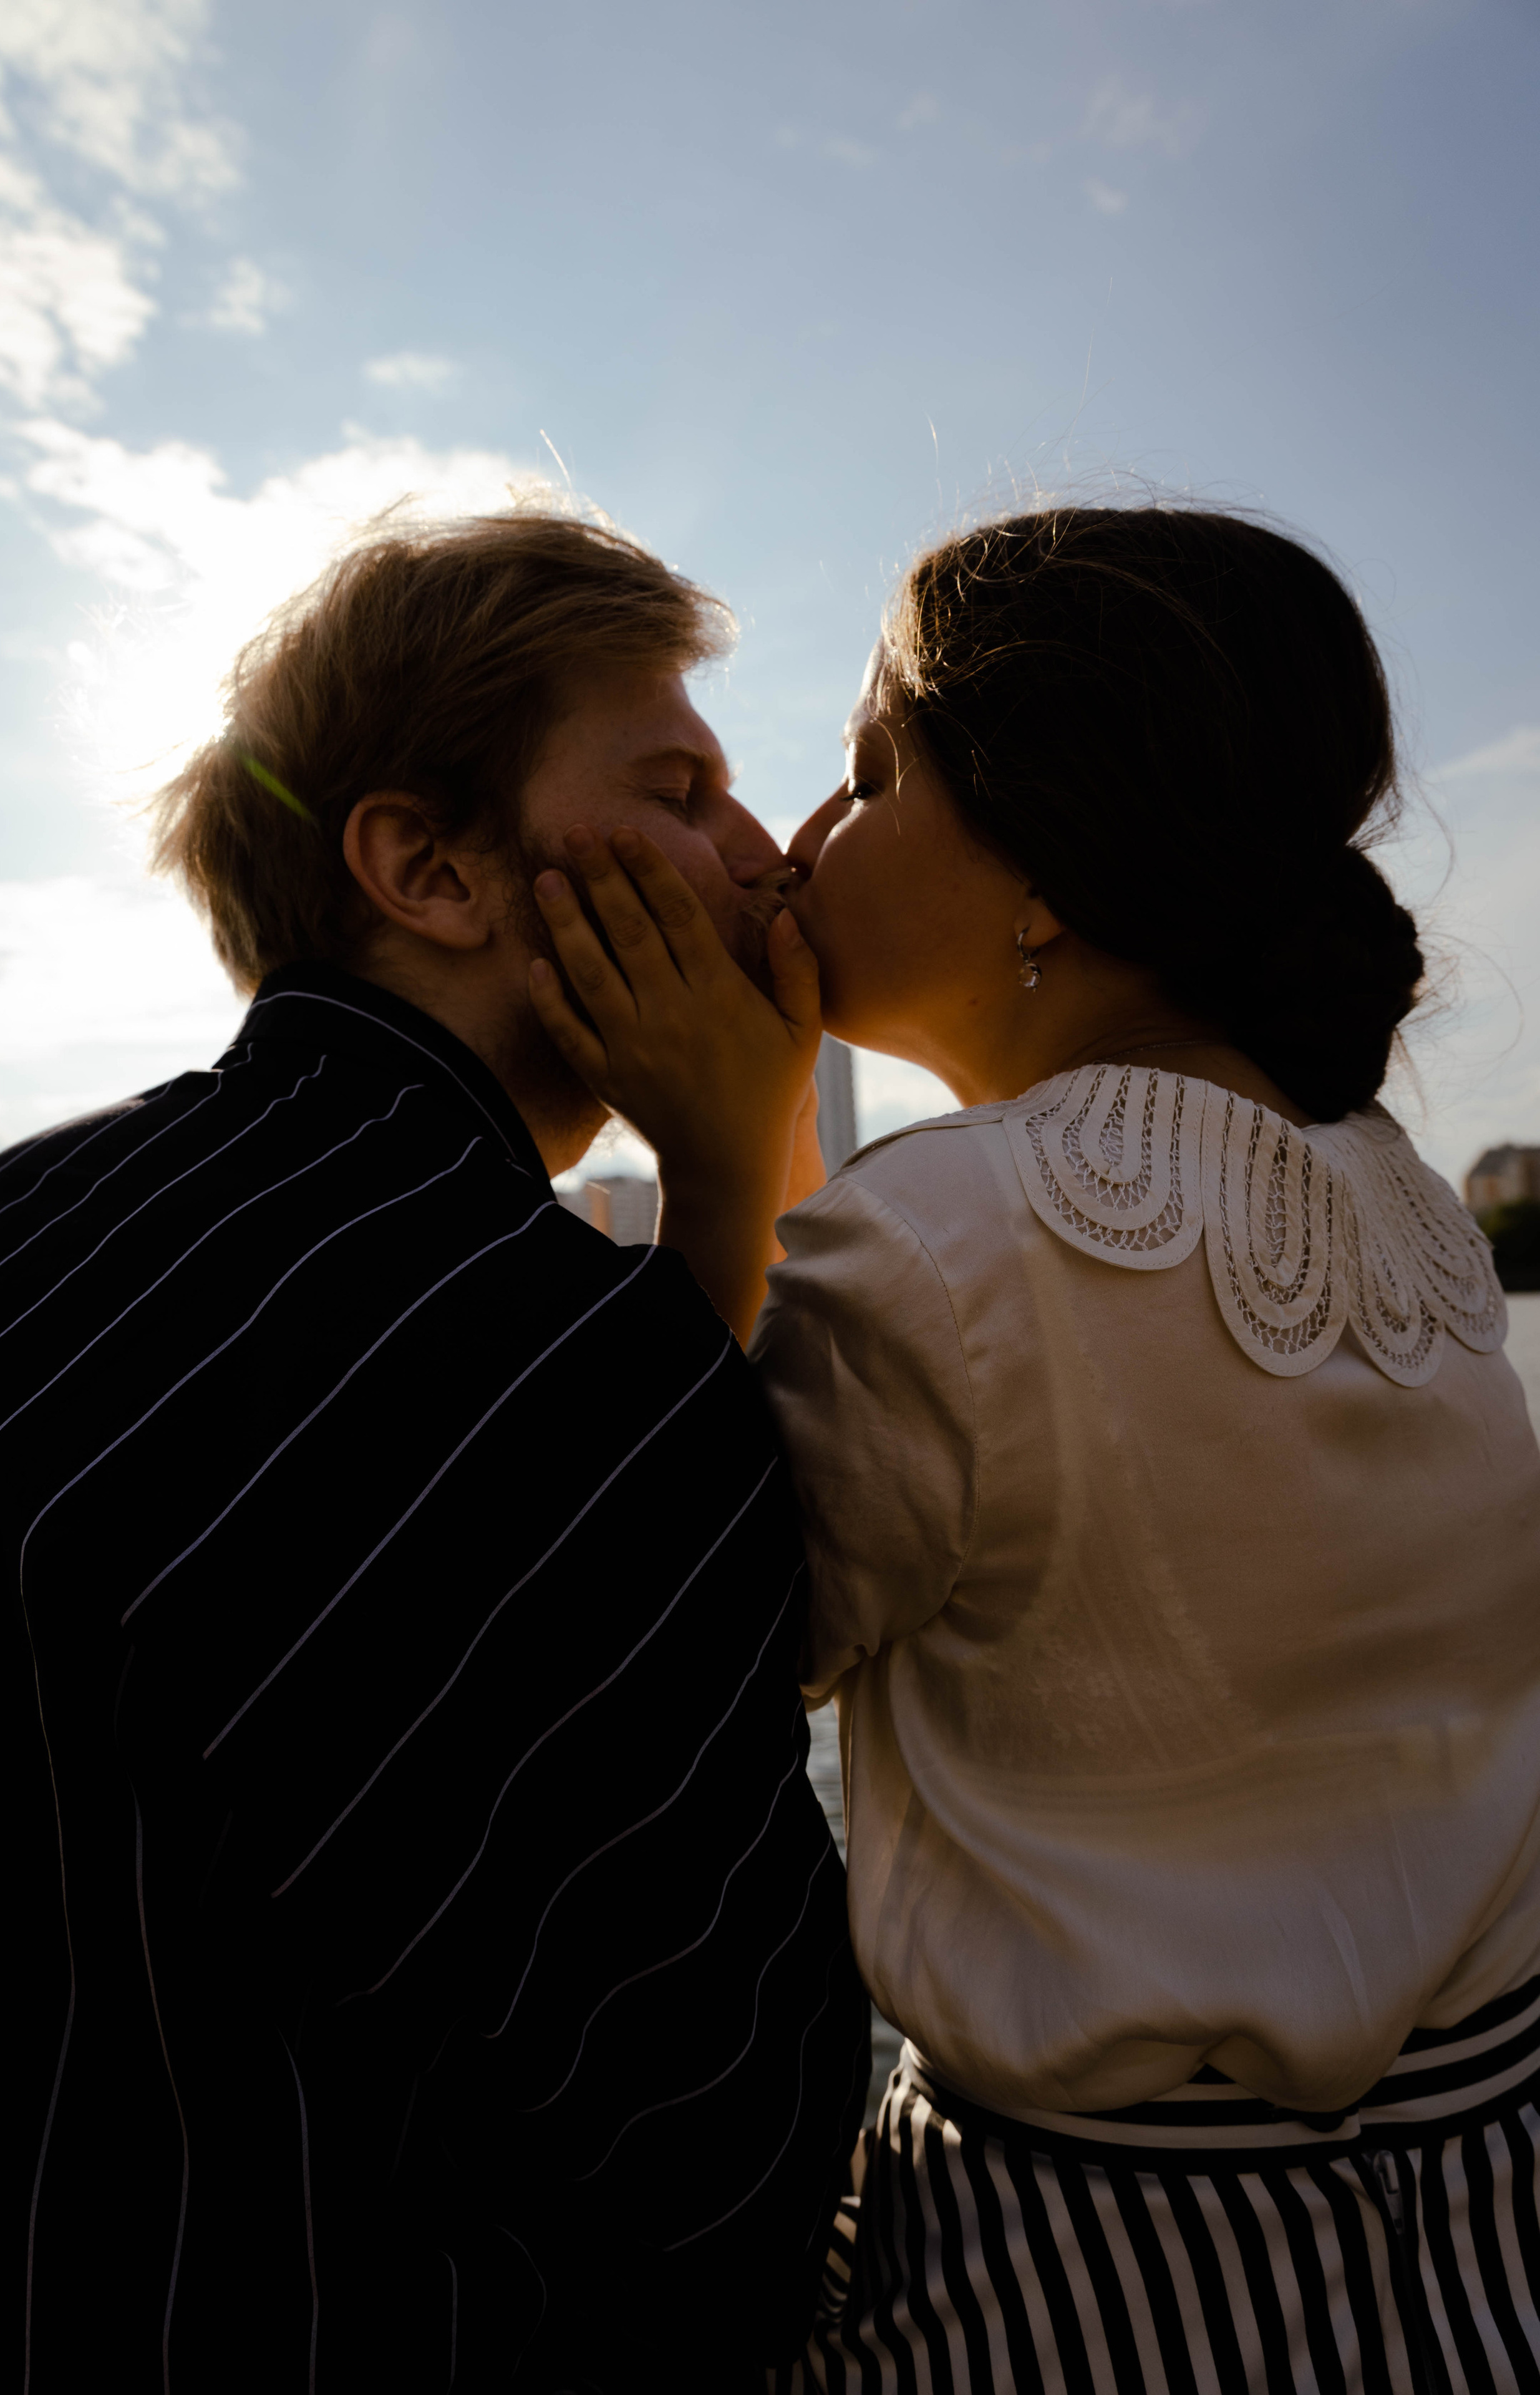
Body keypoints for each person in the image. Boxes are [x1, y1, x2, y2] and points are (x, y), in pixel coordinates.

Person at [526, 506, 1540, 2393]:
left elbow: (671, 1658)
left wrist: (730, 1174)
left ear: (1048, 862)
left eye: (867, 773)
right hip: (1473, 2218)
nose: (805, 842)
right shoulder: (1400, 1205)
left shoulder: (930, 1244)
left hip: (1106, 2273)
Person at [0, 503, 869, 2393]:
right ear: (431, 870)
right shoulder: (551, 1348)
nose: (767, 861)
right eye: (684, 788)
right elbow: (716, 2139)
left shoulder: (8, 1212)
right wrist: (733, 1181)